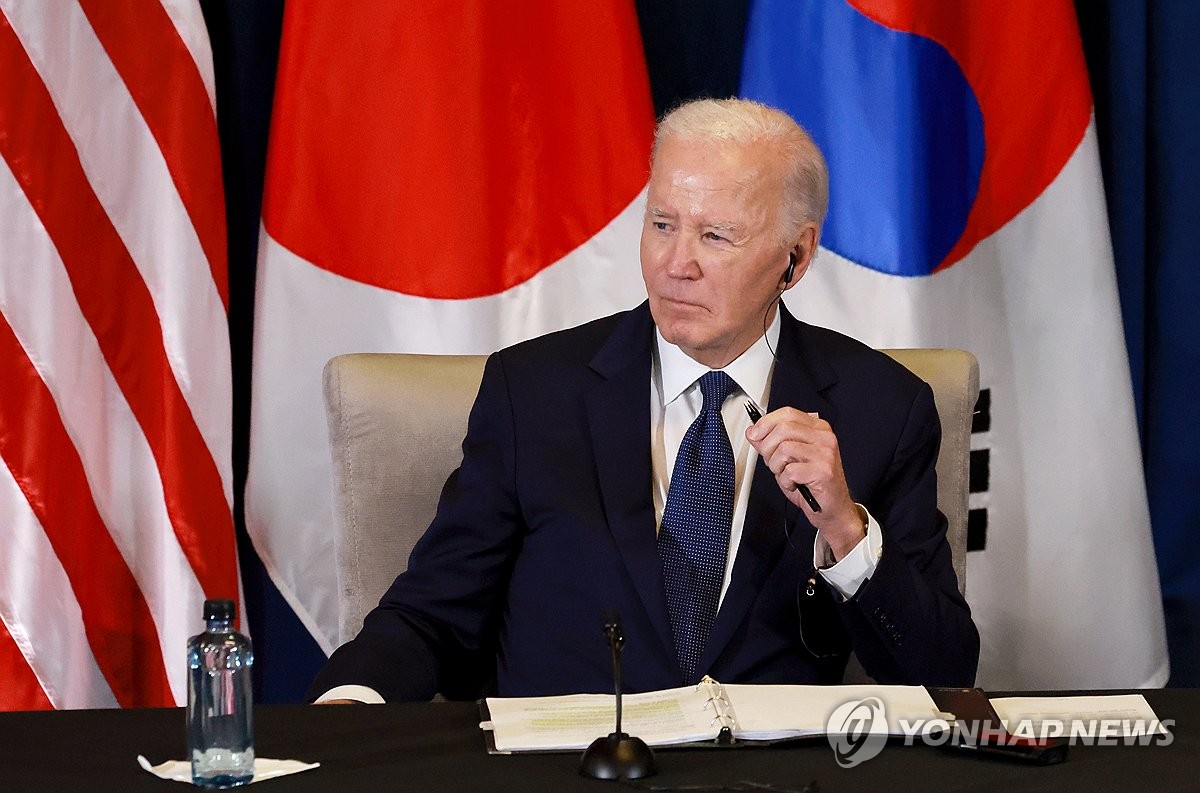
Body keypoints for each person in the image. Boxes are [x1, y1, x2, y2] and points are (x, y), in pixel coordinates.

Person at [309, 98, 979, 704]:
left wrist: (845, 530)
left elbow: (944, 671)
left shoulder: (881, 410)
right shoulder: (534, 393)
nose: (674, 262)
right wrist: (346, 709)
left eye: (715, 236)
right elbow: (432, 617)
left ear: (795, 258)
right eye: (662, 223)